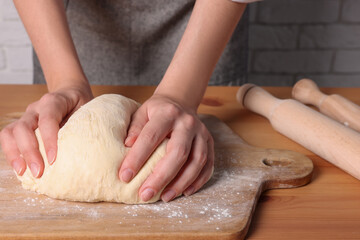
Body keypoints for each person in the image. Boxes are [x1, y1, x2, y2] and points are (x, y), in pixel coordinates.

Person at [0, 0, 258, 203]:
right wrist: (64, 82)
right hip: (69, 25)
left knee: (180, 146)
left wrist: (181, 95)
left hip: (204, 23)